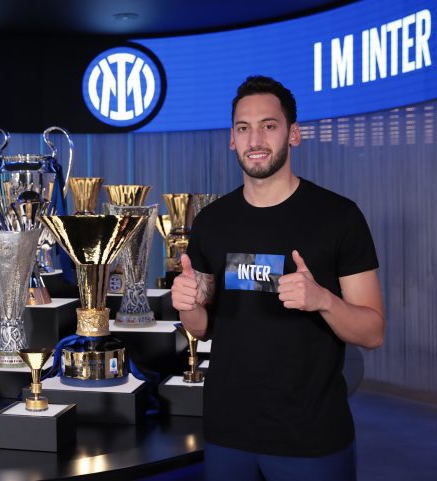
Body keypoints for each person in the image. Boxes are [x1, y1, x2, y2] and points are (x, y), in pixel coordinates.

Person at [171, 75, 385, 481]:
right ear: (231, 139)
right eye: (243, 128)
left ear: (294, 134)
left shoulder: (339, 217)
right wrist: (188, 304)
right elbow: (201, 329)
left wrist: (323, 300)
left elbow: (373, 332)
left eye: (268, 126)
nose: (255, 139)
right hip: (227, 433)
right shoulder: (212, 222)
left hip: (311, 437)